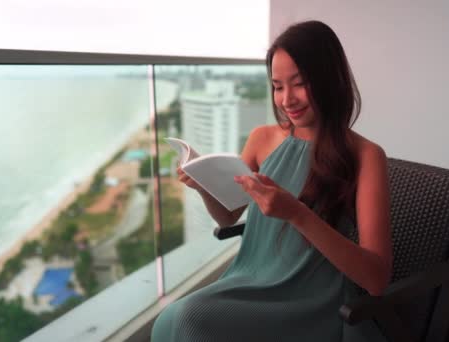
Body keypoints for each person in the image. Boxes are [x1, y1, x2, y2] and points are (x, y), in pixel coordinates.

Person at [151, 20, 393, 341]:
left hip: (313, 301)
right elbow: (228, 216)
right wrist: (203, 185)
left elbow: (377, 278)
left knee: (189, 321)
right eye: (278, 86)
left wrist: (296, 213)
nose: (287, 99)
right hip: (252, 279)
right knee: (167, 322)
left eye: (300, 83)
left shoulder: (366, 156)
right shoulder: (262, 139)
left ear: (329, 80)